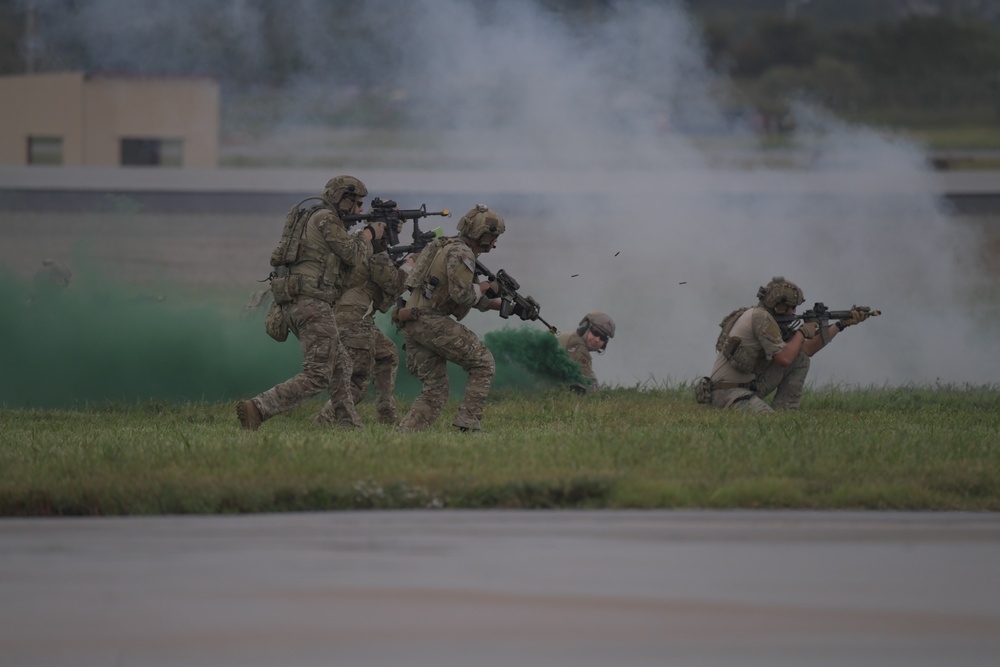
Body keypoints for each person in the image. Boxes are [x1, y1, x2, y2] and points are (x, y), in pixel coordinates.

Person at [236, 175, 386, 431]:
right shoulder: (326, 218)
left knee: (341, 365)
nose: (361, 209)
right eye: (358, 203)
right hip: (311, 303)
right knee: (318, 373)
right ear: (342, 198)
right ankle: (259, 408)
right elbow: (352, 255)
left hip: (300, 300)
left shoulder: (311, 217)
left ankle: (349, 424)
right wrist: (369, 234)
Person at [394, 204, 523, 433]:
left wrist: (513, 309)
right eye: (493, 236)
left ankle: (406, 433)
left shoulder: (445, 246)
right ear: (482, 234)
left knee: (436, 388)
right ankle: (468, 425)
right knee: (483, 362)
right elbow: (464, 296)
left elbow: (475, 299)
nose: (495, 242)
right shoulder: (461, 253)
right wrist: (487, 286)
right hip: (430, 321)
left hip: (411, 320)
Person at [699, 276, 872, 412]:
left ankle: (786, 410)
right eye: (792, 307)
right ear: (779, 306)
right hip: (726, 394)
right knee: (767, 421)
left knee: (801, 359)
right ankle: (776, 414)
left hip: (745, 388)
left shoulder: (769, 319)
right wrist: (802, 332)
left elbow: (806, 350)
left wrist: (841, 324)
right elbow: (784, 359)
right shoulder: (760, 318)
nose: (794, 311)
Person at [316, 232, 412, 425]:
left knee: (387, 353)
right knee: (357, 381)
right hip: (354, 320)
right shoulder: (375, 254)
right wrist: (409, 267)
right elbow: (394, 285)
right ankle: (325, 420)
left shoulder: (358, 250)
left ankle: (386, 415)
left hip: (348, 317)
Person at [557, 312, 615, 393]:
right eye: (595, 332)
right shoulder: (580, 349)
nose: (597, 339)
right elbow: (589, 386)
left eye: (603, 338)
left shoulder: (568, 336)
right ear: (585, 327)